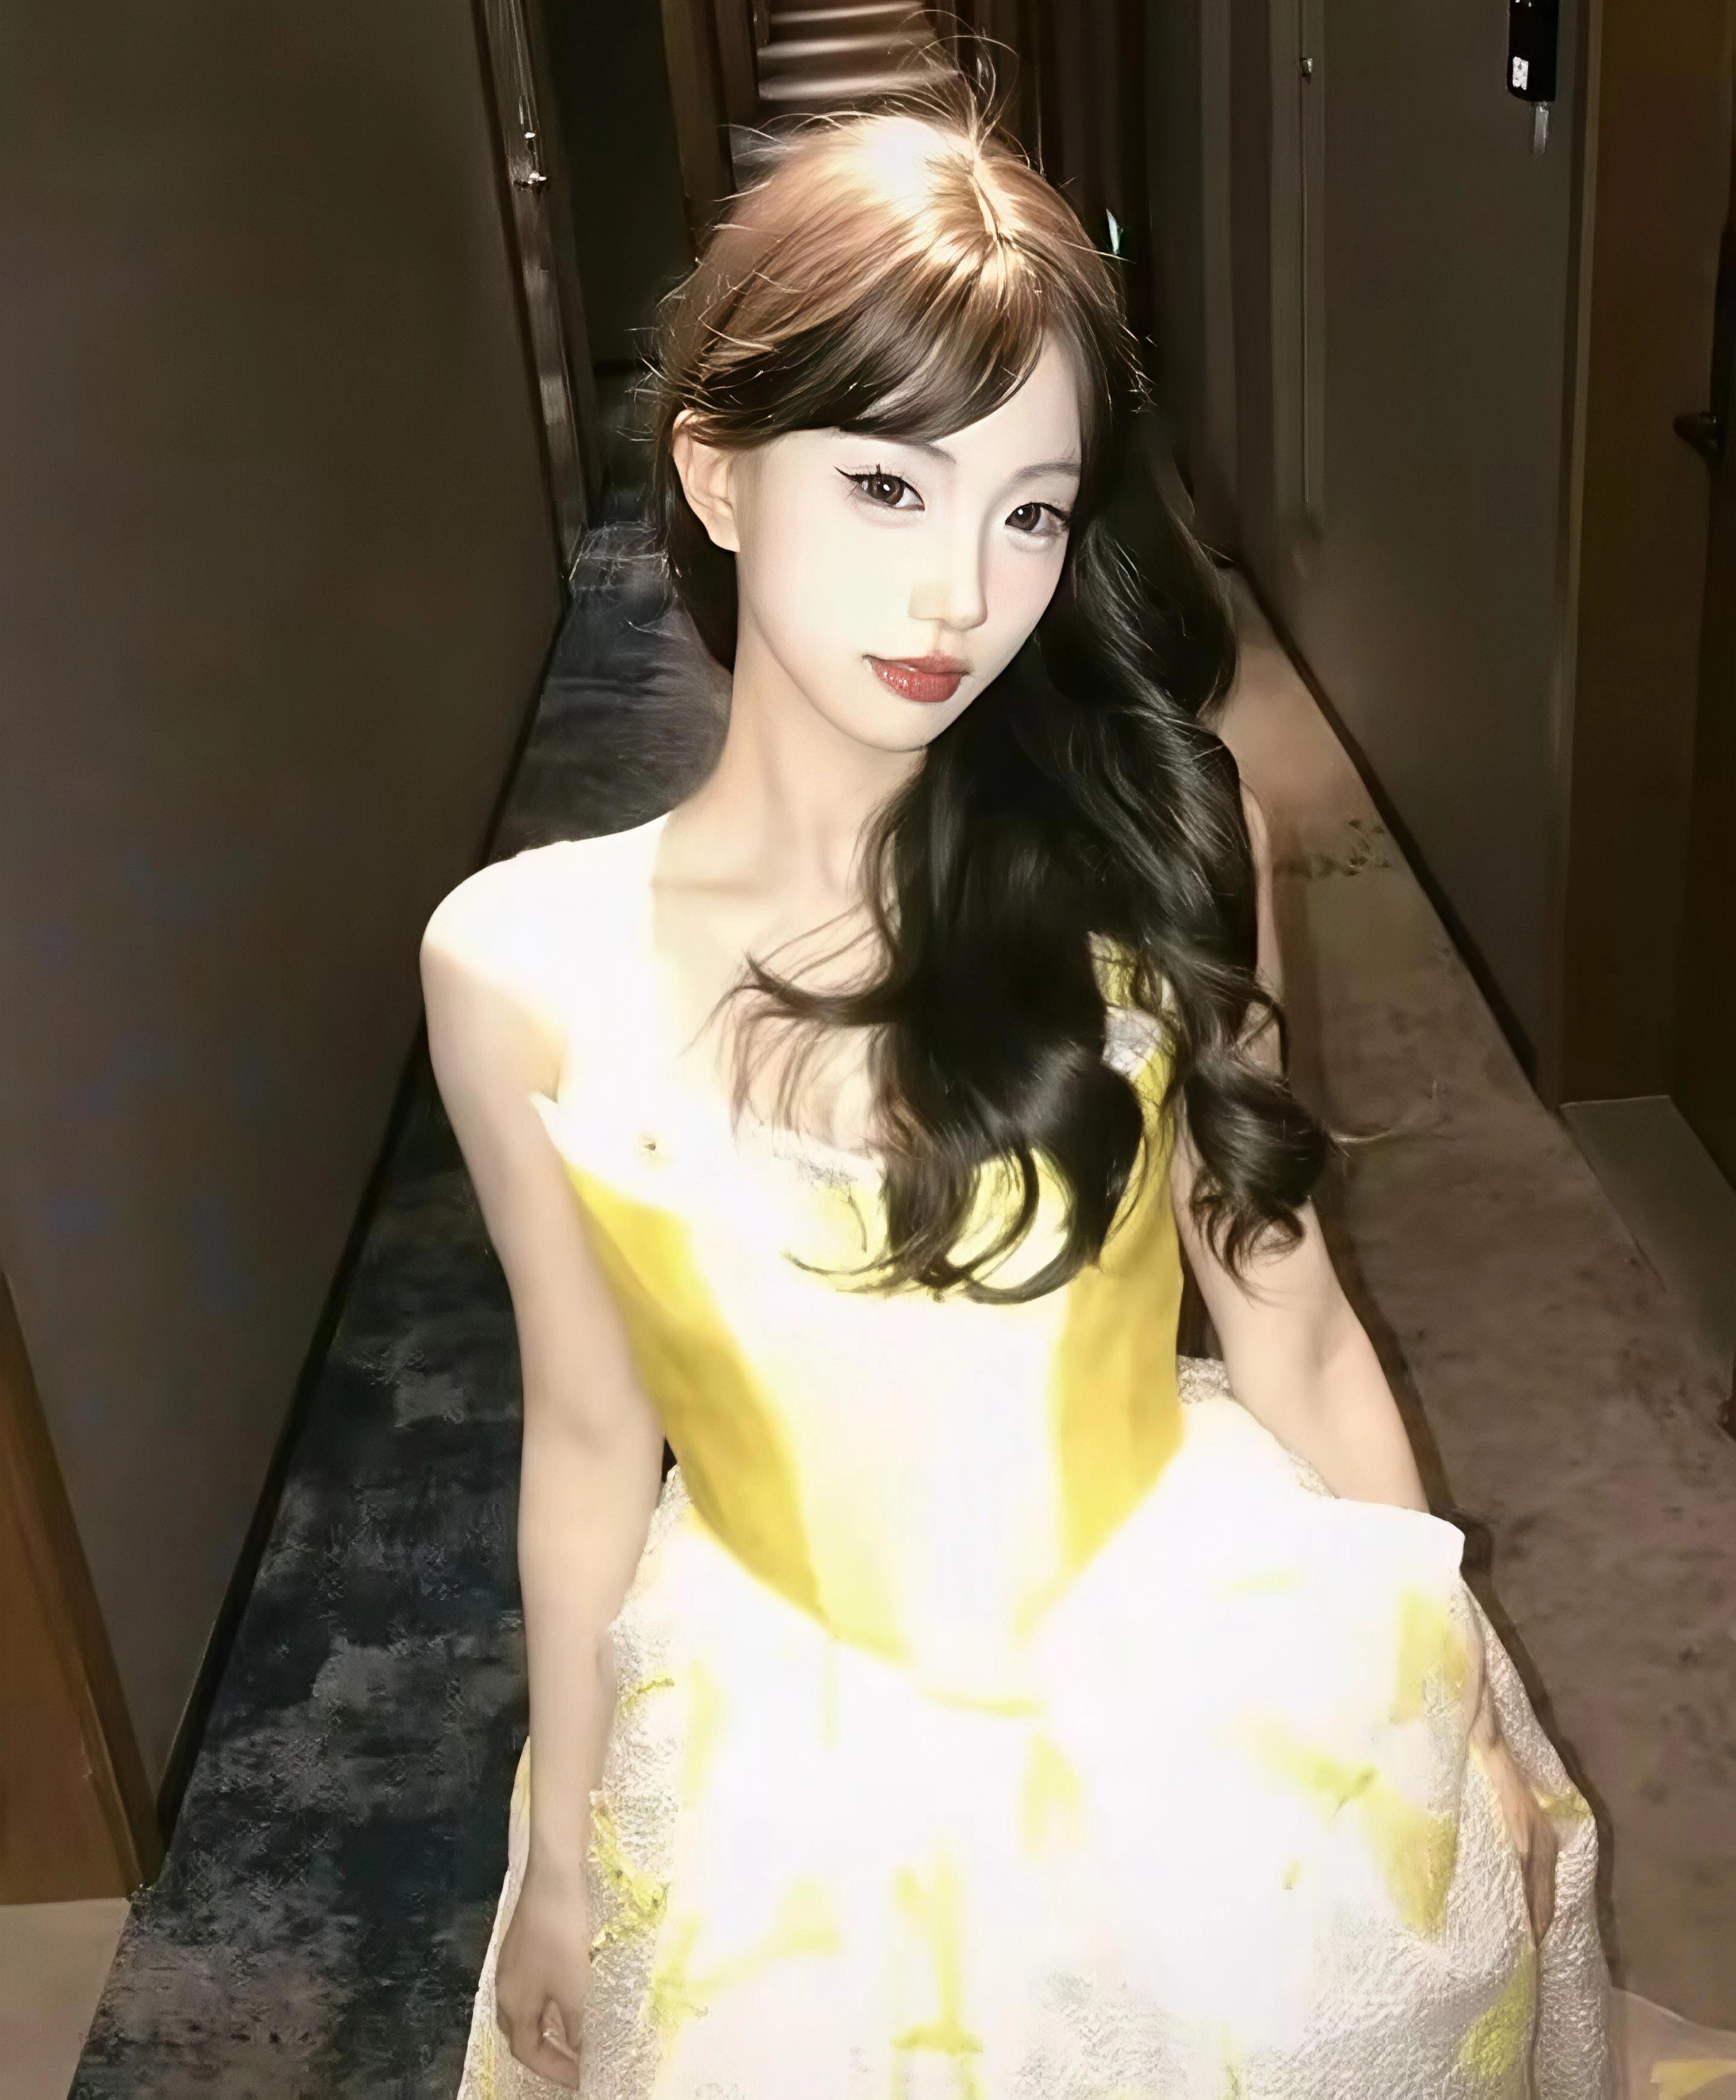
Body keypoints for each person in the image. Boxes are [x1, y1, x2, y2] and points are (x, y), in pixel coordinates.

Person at [426, 93, 1617, 2098]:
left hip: (1189, 1678)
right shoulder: (516, 961)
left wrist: (1457, 1714)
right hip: (781, 1759)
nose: (961, 596)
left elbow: (1295, 1320)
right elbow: (589, 1431)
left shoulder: (1163, 850)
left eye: (1032, 511)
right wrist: (557, 1857)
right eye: (889, 486)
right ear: (717, 475)